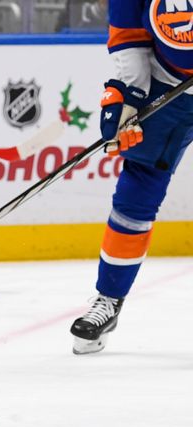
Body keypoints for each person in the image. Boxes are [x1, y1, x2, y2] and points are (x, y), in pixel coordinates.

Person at [70, 1, 193, 354]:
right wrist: (131, 96)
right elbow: (130, 37)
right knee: (136, 194)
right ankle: (108, 301)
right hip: (168, 85)